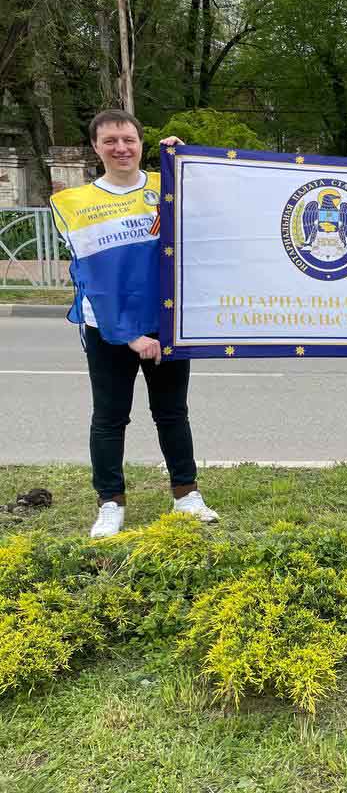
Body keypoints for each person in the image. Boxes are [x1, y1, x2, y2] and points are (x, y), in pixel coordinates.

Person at [49, 110, 218, 539]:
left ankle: (186, 495)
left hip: (164, 323)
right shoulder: (77, 203)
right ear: (95, 147)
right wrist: (130, 336)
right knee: (109, 417)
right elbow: (96, 282)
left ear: (142, 142)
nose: (121, 148)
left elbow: (214, 211)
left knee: (172, 413)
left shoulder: (167, 187)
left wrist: (188, 162)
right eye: (110, 141)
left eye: (128, 139)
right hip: (107, 328)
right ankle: (110, 503)